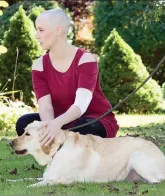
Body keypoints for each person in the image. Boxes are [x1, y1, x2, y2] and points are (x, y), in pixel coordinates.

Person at [15, 8, 119, 146]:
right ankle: (58, 146)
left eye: (41, 30)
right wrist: (49, 126)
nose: (36, 35)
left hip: (92, 119)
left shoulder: (86, 60)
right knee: (24, 123)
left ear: (58, 31)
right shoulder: (39, 65)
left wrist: (56, 124)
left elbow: (81, 104)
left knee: (84, 128)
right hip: (60, 121)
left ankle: (63, 146)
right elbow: (45, 107)